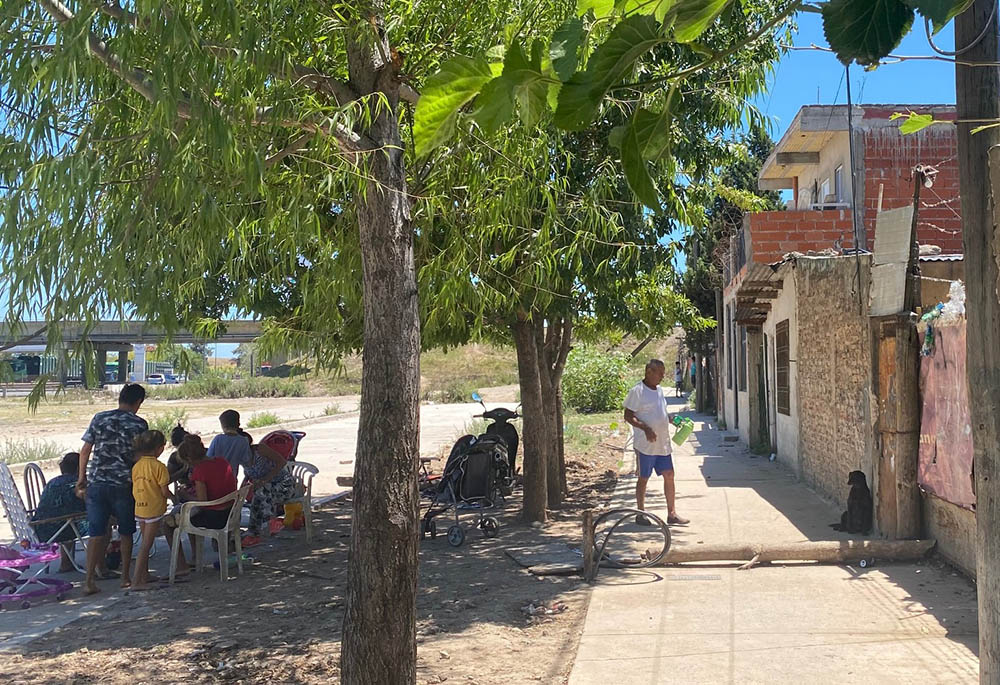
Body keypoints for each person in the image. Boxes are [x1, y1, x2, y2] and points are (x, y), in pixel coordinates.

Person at [76, 383, 148, 594]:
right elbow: (140, 457)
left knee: (96, 532)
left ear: (120, 398)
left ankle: (89, 580)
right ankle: (125, 577)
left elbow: (85, 450)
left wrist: (82, 478)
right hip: (123, 484)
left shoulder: (99, 418)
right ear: (138, 402)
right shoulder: (139, 424)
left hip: (97, 483)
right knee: (126, 531)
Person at [623, 359, 689, 527]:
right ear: (648, 371)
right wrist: (645, 428)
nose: (661, 376)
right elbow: (628, 416)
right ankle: (641, 513)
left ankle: (672, 513)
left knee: (669, 474)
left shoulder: (659, 390)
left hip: (662, 444)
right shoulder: (637, 391)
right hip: (646, 445)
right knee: (644, 477)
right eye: (659, 373)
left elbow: (660, 413)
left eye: (662, 373)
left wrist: (671, 419)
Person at [166, 434, 239, 574]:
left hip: (215, 517)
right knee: (189, 515)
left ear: (189, 459)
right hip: (231, 512)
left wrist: (184, 495)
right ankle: (195, 557)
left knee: (169, 524)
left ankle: (182, 565)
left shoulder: (200, 471)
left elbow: (202, 503)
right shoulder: (222, 462)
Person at [31, 452, 88, 572]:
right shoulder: (75, 483)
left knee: (68, 519)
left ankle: (66, 563)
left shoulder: (52, 482)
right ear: (79, 468)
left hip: (40, 527)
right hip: (60, 528)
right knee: (102, 520)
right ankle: (101, 564)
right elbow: (88, 501)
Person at [238, 429, 296, 547]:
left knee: (260, 495)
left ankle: (258, 530)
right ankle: (256, 531)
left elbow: (282, 462)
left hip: (283, 484)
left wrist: (264, 480)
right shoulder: (241, 458)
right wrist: (242, 489)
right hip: (265, 487)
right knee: (258, 496)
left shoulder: (260, 450)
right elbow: (248, 475)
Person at [131, 430, 170, 590]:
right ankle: (136, 582)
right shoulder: (159, 467)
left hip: (140, 507)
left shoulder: (137, 466)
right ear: (160, 449)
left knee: (145, 543)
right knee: (146, 545)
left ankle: (144, 574)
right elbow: (163, 491)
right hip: (154, 509)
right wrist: (173, 498)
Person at [207, 410, 253, 478]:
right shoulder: (243, 440)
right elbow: (247, 462)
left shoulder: (218, 439)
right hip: (232, 478)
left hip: (215, 477)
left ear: (223, 425)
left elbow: (208, 458)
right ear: (238, 424)